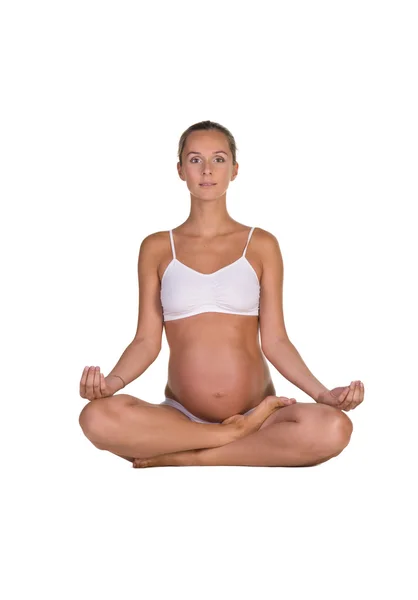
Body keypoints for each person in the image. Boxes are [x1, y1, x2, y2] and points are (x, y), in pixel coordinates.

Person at [78, 120, 364, 468]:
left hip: (259, 410)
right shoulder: (156, 248)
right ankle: (229, 437)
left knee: (334, 428)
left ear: (235, 169)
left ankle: (189, 457)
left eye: (219, 159)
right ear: (180, 169)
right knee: (96, 418)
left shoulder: (261, 244)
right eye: (195, 160)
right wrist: (111, 383)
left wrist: (322, 395)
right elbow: (146, 342)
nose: (208, 170)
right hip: (180, 417)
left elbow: (275, 341)